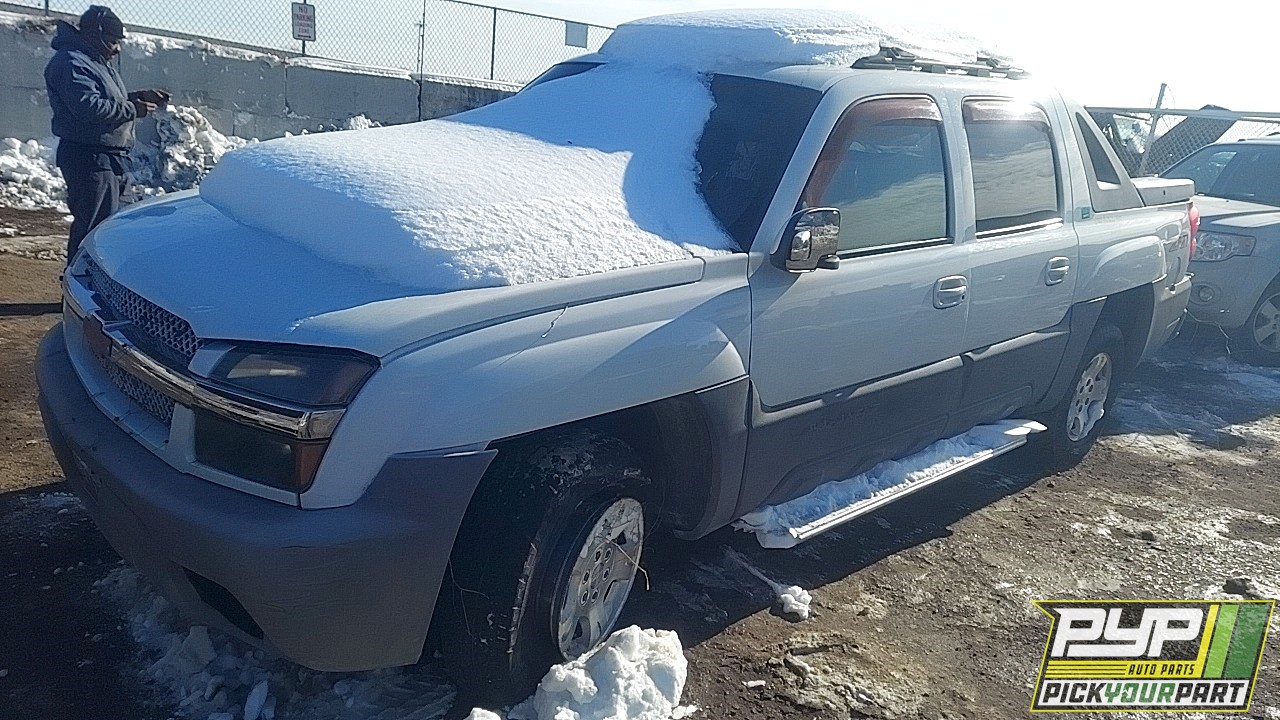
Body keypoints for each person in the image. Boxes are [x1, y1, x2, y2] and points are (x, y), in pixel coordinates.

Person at [43, 5, 170, 261]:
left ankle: (100, 289)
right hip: (90, 159)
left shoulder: (95, 62)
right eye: (112, 42)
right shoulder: (71, 63)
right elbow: (88, 107)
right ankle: (77, 290)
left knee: (114, 228)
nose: (117, 49)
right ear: (94, 35)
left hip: (110, 160)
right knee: (92, 231)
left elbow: (107, 101)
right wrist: (132, 108)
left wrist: (137, 98)